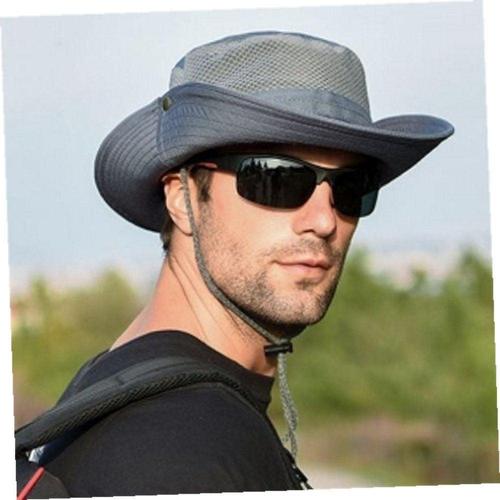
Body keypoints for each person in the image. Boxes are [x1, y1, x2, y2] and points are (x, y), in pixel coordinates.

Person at [32, 30, 454, 496]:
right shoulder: (178, 451)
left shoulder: (125, 384)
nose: (324, 220)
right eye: (277, 178)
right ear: (183, 197)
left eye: (351, 188)